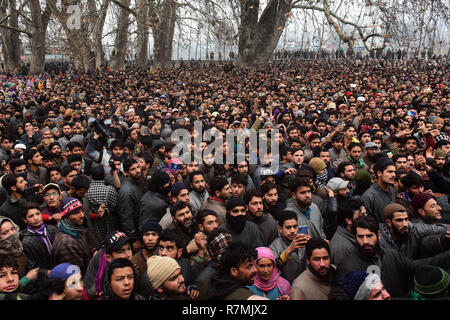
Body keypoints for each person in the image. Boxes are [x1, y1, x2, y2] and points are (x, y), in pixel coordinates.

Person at [337, 215, 450, 298]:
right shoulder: (348, 265)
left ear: (379, 235)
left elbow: (416, 267)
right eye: (360, 237)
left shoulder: (391, 255)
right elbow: (339, 295)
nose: (365, 241)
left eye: (369, 236)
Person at [380, 203, 449, 259]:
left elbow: (436, 229)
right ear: (389, 222)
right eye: (399, 220)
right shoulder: (379, 238)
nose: (405, 224)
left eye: (406, 219)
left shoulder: (412, 228)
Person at [83, 230, 135, 300]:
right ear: (108, 257)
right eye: (121, 251)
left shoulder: (132, 267)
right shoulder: (100, 264)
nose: (128, 255)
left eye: (129, 249)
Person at [51, 198, 93, 276]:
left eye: (82, 211)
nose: (82, 215)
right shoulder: (67, 243)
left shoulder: (75, 228)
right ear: (66, 216)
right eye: (76, 213)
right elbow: (75, 273)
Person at [269, 210, 309, 284]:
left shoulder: (303, 240)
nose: (293, 231)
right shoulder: (275, 246)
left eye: (295, 226)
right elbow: (272, 269)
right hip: (285, 288)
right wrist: (289, 250)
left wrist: (312, 245)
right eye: (288, 227)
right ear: (280, 229)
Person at [86, 164, 119, 247]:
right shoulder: (109, 189)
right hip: (109, 223)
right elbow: (114, 206)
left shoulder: (87, 190)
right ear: (104, 174)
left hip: (93, 224)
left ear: (91, 176)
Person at [330, 199, 367, 270]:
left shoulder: (355, 235)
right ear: (348, 220)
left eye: (365, 213)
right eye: (362, 215)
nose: (366, 217)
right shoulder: (341, 248)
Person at [20, 202, 58, 273]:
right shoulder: (27, 242)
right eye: (31, 216)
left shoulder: (52, 229)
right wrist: (48, 272)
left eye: (38, 214)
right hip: (45, 276)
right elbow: (32, 267)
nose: (36, 218)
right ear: (25, 220)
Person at [361, 157, 397, 223]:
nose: (394, 175)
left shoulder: (393, 191)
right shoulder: (369, 196)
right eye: (390, 172)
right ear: (379, 173)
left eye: (394, 172)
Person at [117, 159, 143, 243]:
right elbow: (126, 217)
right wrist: (134, 239)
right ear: (126, 173)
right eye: (133, 169)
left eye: (138, 167)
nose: (137, 170)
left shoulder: (137, 182)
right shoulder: (127, 192)